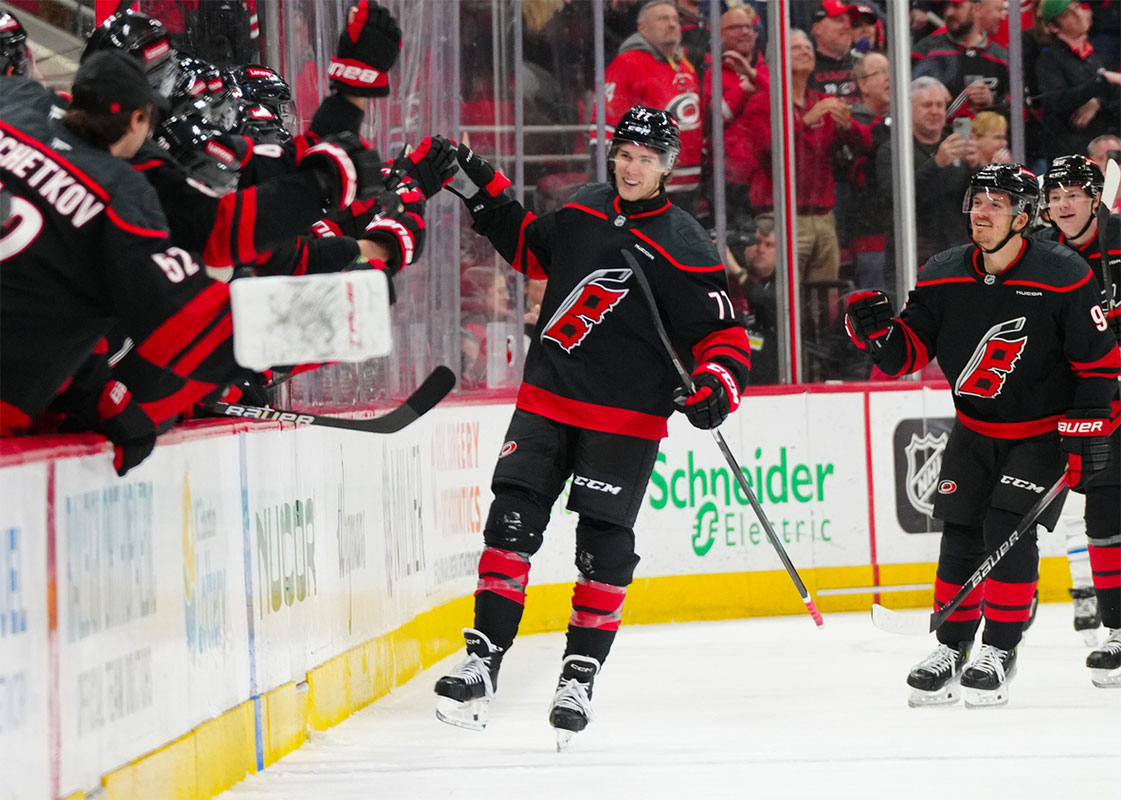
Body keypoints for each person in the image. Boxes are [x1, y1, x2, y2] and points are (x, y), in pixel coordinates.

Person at [431, 106, 751, 743]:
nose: (632, 168)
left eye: (646, 159)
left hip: (626, 417)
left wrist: (719, 384)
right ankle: (483, 660)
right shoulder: (583, 207)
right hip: (549, 395)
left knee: (603, 545)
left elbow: (724, 337)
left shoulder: (687, 244)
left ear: (668, 166)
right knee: (511, 519)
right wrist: (477, 184)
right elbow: (530, 247)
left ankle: (579, 676)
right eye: (624, 154)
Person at [845, 164, 1120, 707]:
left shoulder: (1062, 273)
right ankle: (950, 647)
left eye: (997, 203)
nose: (982, 211)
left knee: (1006, 528)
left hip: (1042, 433)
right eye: (977, 200)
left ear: (1023, 215)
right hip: (974, 430)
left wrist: (1089, 426)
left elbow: (1100, 360)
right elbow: (908, 355)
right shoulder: (944, 272)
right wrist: (877, 334)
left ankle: (999, 649)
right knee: (960, 533)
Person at [0, 52, 240, 470]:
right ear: (135, 123)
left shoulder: (15, 100)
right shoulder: (121, 194)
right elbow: (190, 325)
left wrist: (97, 391)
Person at [1036, 154, 1121, 682]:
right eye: (1056, 196)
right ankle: (1117, 633)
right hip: (1095, 403)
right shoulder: (1043, 258)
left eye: (1074, 194)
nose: (1064, 204)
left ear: (1096, 199)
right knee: (1104, 519)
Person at [603, 0, 704, 214]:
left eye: (675, 19)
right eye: (663, 19)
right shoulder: (627, 63)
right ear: (642, 28)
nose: (672, 24)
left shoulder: (685, 64)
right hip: (648, 185)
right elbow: (607, 124)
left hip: (689, 182)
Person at [876, 77, 978, 268]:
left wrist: (975, 167)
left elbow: (973, 200)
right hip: (912, 253)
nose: (935, 111)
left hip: (956, 249)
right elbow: (895, 197)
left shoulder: (956, 145)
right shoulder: (893, 150)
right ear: (909, 109)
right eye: (927, 105)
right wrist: (936, 164)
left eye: (940, 105)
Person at [1034, 0, 1121, 163]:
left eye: (1077, 7)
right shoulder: (1050, 60)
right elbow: (1058, 102)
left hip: (1105, 149)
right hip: (1071, 154)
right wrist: (1100, 81)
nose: (1078, 14)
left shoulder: (1095, 57)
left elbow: (1115, 97)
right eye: (1068, 13)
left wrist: (1097, 102)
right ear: (1053, 27)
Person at [706, 4, 769, 224]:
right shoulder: (712, 72)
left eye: (748, 27)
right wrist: (743, 89)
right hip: (731, 179)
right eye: (735, 27)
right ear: (720, 34)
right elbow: (715, 117)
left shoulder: (769, 69)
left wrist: (755, 78)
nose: (744, 32)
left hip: (768, 175)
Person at [912, 0, 1010, 120]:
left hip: (985, 136)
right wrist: (929, 93)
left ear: (977, 8)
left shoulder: (1002, 58)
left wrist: (993, 101)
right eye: (946, 6)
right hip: (938, 137)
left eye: (956, 6)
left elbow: (1019, 113)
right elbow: (902, 96)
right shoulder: (925, 50)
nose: (948, 13)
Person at [809, 0, 859, 103]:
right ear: (817, 29)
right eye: (839, 20)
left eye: (850, 22)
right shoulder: (804, 68)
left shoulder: (863, 64)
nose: (847, 26)